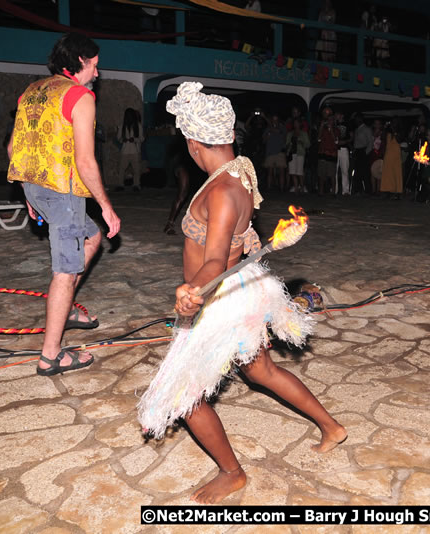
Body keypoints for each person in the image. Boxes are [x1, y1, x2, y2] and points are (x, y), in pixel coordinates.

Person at [137, 82, 346, 504]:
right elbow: (237, 240)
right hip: (239, 289)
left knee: (184, 394)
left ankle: (232, 473)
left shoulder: (222, 190)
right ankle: (332, 427)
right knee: (261, 371)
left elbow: (215, 258)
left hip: (220, 300)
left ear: (194, 144)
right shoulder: (239, 171)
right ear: (228, 135)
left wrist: (193, 288)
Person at [6, 33, 121, 375]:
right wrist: (106, 205)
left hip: (36, 186)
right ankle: (50, 356)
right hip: (63, 192)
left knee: (92, 238)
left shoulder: (31, 92)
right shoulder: (79, 96)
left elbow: (13, 149)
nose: (97, 73)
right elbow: (85, 161)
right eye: (94, 65)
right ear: (80, 62)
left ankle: (66, 306)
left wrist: (28, 193)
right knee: (65, 270)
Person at [115, 107, 143, 192]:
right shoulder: (122, 126)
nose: (129, 117)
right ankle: (120, 184)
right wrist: (122, 140)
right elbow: (118, 138)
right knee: (121, 169)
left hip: (135, 151)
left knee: (136, 169)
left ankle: (136, 185)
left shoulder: (138, 126)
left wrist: (134, 139)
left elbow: (142, 138)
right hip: (125, 151)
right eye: (128, 115)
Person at [262, 114, 287, 192]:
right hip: (270, 152)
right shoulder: (267, 129)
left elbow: (282, 135)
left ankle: (282, 189)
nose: (274, 121)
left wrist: (266, 120)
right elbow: (263, 140)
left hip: (280, 152)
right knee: (270, 172)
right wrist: (267, 136)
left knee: (281, 171)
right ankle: (269, 188)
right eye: (273, 120)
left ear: (278, 121)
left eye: (276, 120)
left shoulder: (282, 128)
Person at [379, 121, 403, 199]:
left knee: (397, 173)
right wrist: (385, 128)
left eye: (394, 123)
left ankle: (398, 191)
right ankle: (387, 190)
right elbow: (382, 138)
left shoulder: (399, 132)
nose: (392, 124)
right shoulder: (388, 132)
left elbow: (399, 140)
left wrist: (394, 131)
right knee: (387, 173)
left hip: (396, 155)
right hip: (388, 154)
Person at [316, 111, 338, 196]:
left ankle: (333, 192)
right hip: (322, 153)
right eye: (328, 120)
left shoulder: (336, 130)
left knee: (332, 174)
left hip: (332, 154)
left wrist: (331, 130)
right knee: (321, 174)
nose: (329, 121)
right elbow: (318, 139)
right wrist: (321, 126)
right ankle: (321, 191)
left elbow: (336, 141)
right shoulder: (323, 129)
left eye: (331, 120)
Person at [285, 119, 310, 193]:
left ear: (300, 124)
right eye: (294, 123)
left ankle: (302, 187)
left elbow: (308, 144)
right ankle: (296, 188)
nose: (295, 124)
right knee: (292, 172)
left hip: (300, 154)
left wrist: (302, 143)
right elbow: (286, 144)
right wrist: (289, 144)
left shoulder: (304, 133)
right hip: (292, 153)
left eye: (297, 123)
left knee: (300, 172)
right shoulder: (290, 133)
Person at [351, 113, 373, 194]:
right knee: (357, 172)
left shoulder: (367, 129)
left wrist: (365, 153)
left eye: (356, 119)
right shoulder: (357, 129)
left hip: (363, 151)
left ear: (360, 119)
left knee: (365, 172)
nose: (355, 121)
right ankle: (358, 189)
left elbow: (370, 142)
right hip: (357, 151)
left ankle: (368, 190)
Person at [369, 119, 385, 194]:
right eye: (376, 123)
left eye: (378, 123)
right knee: (372, 171)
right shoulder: (371, 132)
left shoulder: (383, 133)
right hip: (372, 153)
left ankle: (378, 190)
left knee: (379, 171)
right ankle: (373, 190)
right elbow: (369, 142)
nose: (377, 125)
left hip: (380, 154)